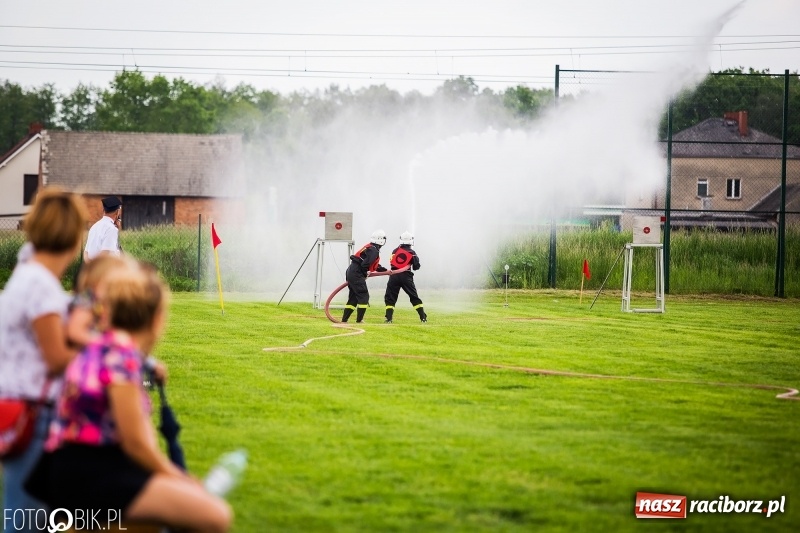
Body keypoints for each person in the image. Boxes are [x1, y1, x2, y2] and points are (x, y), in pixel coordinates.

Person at [26, 264, 231, 532]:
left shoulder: (98, 346)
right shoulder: (122, 355)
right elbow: (136, 443)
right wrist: (180, 479)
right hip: (93, 474)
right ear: (157, 318)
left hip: (67, 470)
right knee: (215, 515)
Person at [0, 187, 88, 530]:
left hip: (20, 410)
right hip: (34, 416)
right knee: (25, 521)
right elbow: (56, 358)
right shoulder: (40, 285)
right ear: (71, 235)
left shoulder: (27, 273)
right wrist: (101, 357)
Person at [341, 230, 388, 323]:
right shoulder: (374, 250)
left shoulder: (370, 248)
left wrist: (384, 270)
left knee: (354, 298)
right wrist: (365, 273)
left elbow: (370, 263)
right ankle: (359, 320)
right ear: (381, 240)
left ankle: (344, 320)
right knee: (364, 296)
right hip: (357, 273)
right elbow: (365, 264)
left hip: (351, 271)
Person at [384, 231, 428, 323]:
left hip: (394, 276)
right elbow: (416, 267)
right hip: (406, 276)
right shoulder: (412, 252)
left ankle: (389, 318)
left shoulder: (395, 251)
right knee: (413, 296)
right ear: (411, 241)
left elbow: (392, 262)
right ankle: (422, 317)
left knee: (390, 297)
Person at [84, 195, 122, 262]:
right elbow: (105, 253)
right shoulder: (111, 229)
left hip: (93, 268)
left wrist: (91, 267)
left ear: (103, 210)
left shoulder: (94, 226)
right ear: (117, 212)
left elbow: (86, 253)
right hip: (106, 269)